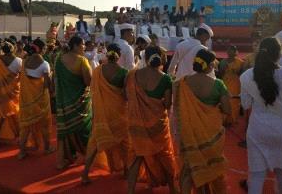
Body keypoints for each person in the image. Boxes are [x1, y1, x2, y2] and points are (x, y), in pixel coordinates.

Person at [240, 37, 282, 194]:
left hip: (258, 130)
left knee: (256, 177)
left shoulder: (246, 76)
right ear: (278, 54)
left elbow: (246, 105)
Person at [174, 49, 231, 193]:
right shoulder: (218, 85)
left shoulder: (182, 83)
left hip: (189, 132)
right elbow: (227, 110)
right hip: (211, 135)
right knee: (212, 166)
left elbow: (177, 107)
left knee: (189, 168)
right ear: (210, 65)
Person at [126, 46, 178, 193]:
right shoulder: (166, 79)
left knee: (137, 156)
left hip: (136, 124)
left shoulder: (132, 76)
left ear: (145, 58)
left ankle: (130, 190)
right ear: (161, 59)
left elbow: (127, 96)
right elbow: (167, 104)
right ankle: (173, 189)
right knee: (165, 156)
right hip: (157, 126)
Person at [81, 44, 129, 184]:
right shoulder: (124, 72)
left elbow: (93, 89)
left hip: (101, 113)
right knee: (124, 143)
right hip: (118, 113)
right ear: (119, 55)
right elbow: (126, 95)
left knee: (95, 143)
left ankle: (85, 174)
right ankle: (126, 171)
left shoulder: (97, 70)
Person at [55, 36, 92, 169]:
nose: (84, 47)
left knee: (64, 132)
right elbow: (89, 82)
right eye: (82, 44)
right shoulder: (82, 61)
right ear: (75, 45)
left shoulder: (59, 59)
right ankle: (87, 156)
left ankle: (62, 160)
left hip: (63, 103)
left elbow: (57, 80)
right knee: (85, 129)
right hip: (80, 104)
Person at [18, 39, 55, 159]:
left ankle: (22, 151)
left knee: (26, 126)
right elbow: (46, 85)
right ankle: (47, 147)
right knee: (44, 124)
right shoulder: (45, 64)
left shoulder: (24, 61)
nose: (45, 51)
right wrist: (50, 76)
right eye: (44, 48)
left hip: (26, 100)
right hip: (41, 100)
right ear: (40, 49)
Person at [0, 40, 22, 147]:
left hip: (0, 94)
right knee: (15, 114)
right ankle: (19, 139)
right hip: (14, 94)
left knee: (0, 116)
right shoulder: (19, 61)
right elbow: (22, 76)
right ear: (13, 49)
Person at [219, 45, 244, 123]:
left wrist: (235, 72)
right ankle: (225, 119)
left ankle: (233, 119)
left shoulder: (240, 62)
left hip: (235, 83)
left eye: (232, 50)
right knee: (225, 100)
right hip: (225, 82)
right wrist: (224, 69)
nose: (229, 52)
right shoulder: (223, 62)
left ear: (235, 52)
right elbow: (220, 74)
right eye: (228, 50)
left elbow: (241, 74)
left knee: (234, 101)